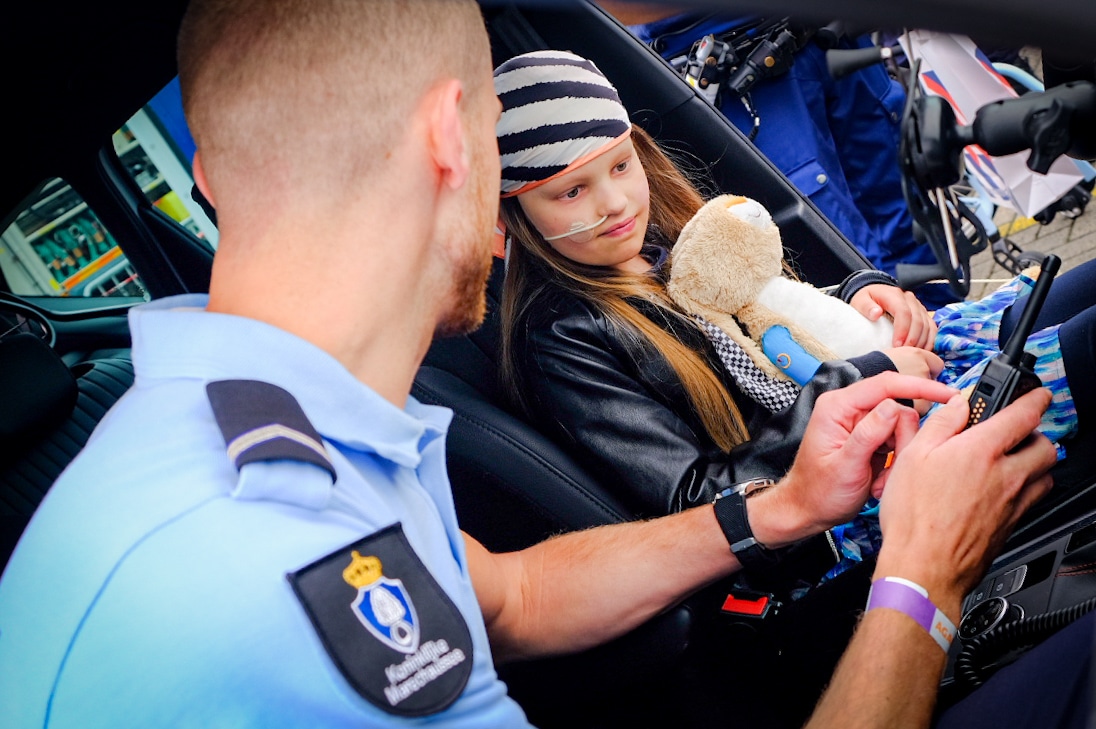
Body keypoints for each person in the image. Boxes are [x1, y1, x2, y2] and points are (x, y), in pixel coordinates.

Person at [0, 1, 1058, 727]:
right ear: (455, 144)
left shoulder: (252, 416)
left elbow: (505, 595)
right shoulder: (264, 588)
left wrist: (777, 509)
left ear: (211, 176)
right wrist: (923, 571)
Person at [496, 49, 1096, 586]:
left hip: (867, 393)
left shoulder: (663, 243)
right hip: (838, 500)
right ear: (514, 211)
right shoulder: (562, 337)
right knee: (1080, 345)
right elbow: (697, 502)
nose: (615, 202)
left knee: (1074, 294)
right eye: (571, 192)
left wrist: (861, 292)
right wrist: (865, 377)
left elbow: (775, 310)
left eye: (621, 166)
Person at [596, 2, 961, 310]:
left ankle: (958, 340)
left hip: (831, 34)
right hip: (734, 66)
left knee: (916, 224)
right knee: (844, 260)